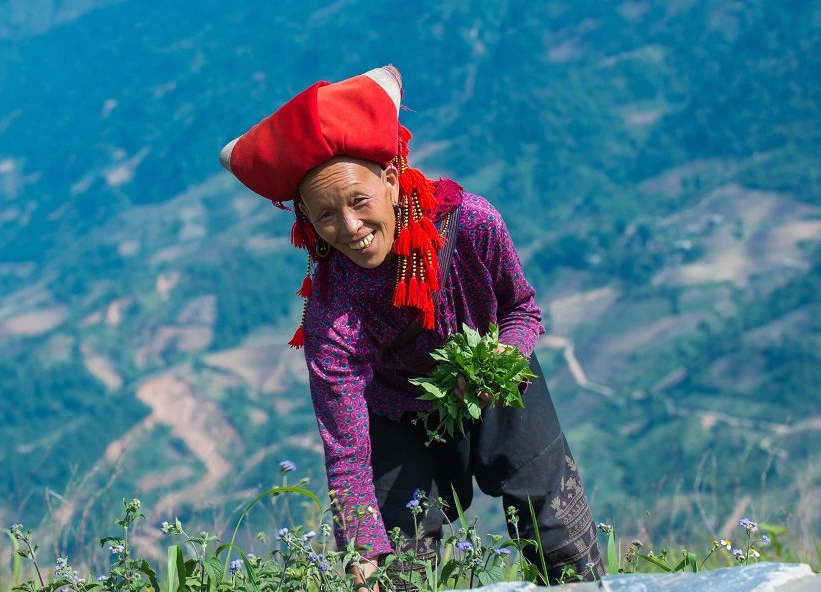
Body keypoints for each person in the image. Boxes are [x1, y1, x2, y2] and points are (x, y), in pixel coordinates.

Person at [219, 65, 602, 590]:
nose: (349, 228)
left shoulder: (471, 224)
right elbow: (346, 443)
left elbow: (523, 311)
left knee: (552, 529)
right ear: (306, 220)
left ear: (392, 183)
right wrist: (359, 548)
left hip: (496, 368)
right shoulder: (332, 315)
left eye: (359, 201)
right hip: (398, 408)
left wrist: (499, 363)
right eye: (326, 215)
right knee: (401, 554)